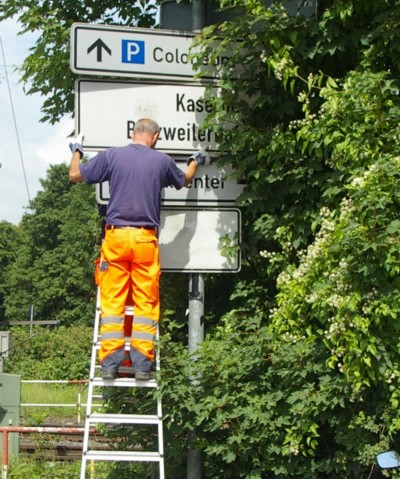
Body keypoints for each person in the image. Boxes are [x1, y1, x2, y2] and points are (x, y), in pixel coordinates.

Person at [68, 118, 209, 380]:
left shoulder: (112, 156)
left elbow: (74, 174)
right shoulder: (162, 161)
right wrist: (195, 161)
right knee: (145, 302)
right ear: (154, 138)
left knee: (112, 302)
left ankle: (110, 365)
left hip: (116, 237)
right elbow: (185, 180)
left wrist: (77, 149)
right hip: (145, 240)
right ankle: (143, 366)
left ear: (133, 134)